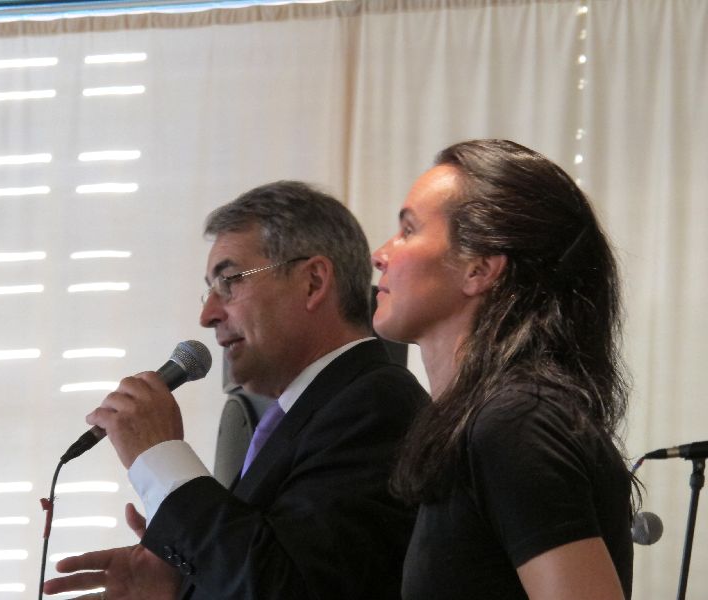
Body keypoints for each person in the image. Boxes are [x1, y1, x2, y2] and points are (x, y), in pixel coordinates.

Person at [44, 180, 428, 599]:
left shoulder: (376, 404)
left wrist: (161, 457)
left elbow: (288, 591)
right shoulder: (301, 413)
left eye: (229, 281)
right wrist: (183, 587)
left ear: (313, 282)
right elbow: (266, 565)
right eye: (209, 290)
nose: (207, 315)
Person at [371, 139, 634, 600]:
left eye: (409, 230)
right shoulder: (484, 421)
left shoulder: (516, 423)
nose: (381, 253)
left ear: (479, 269)